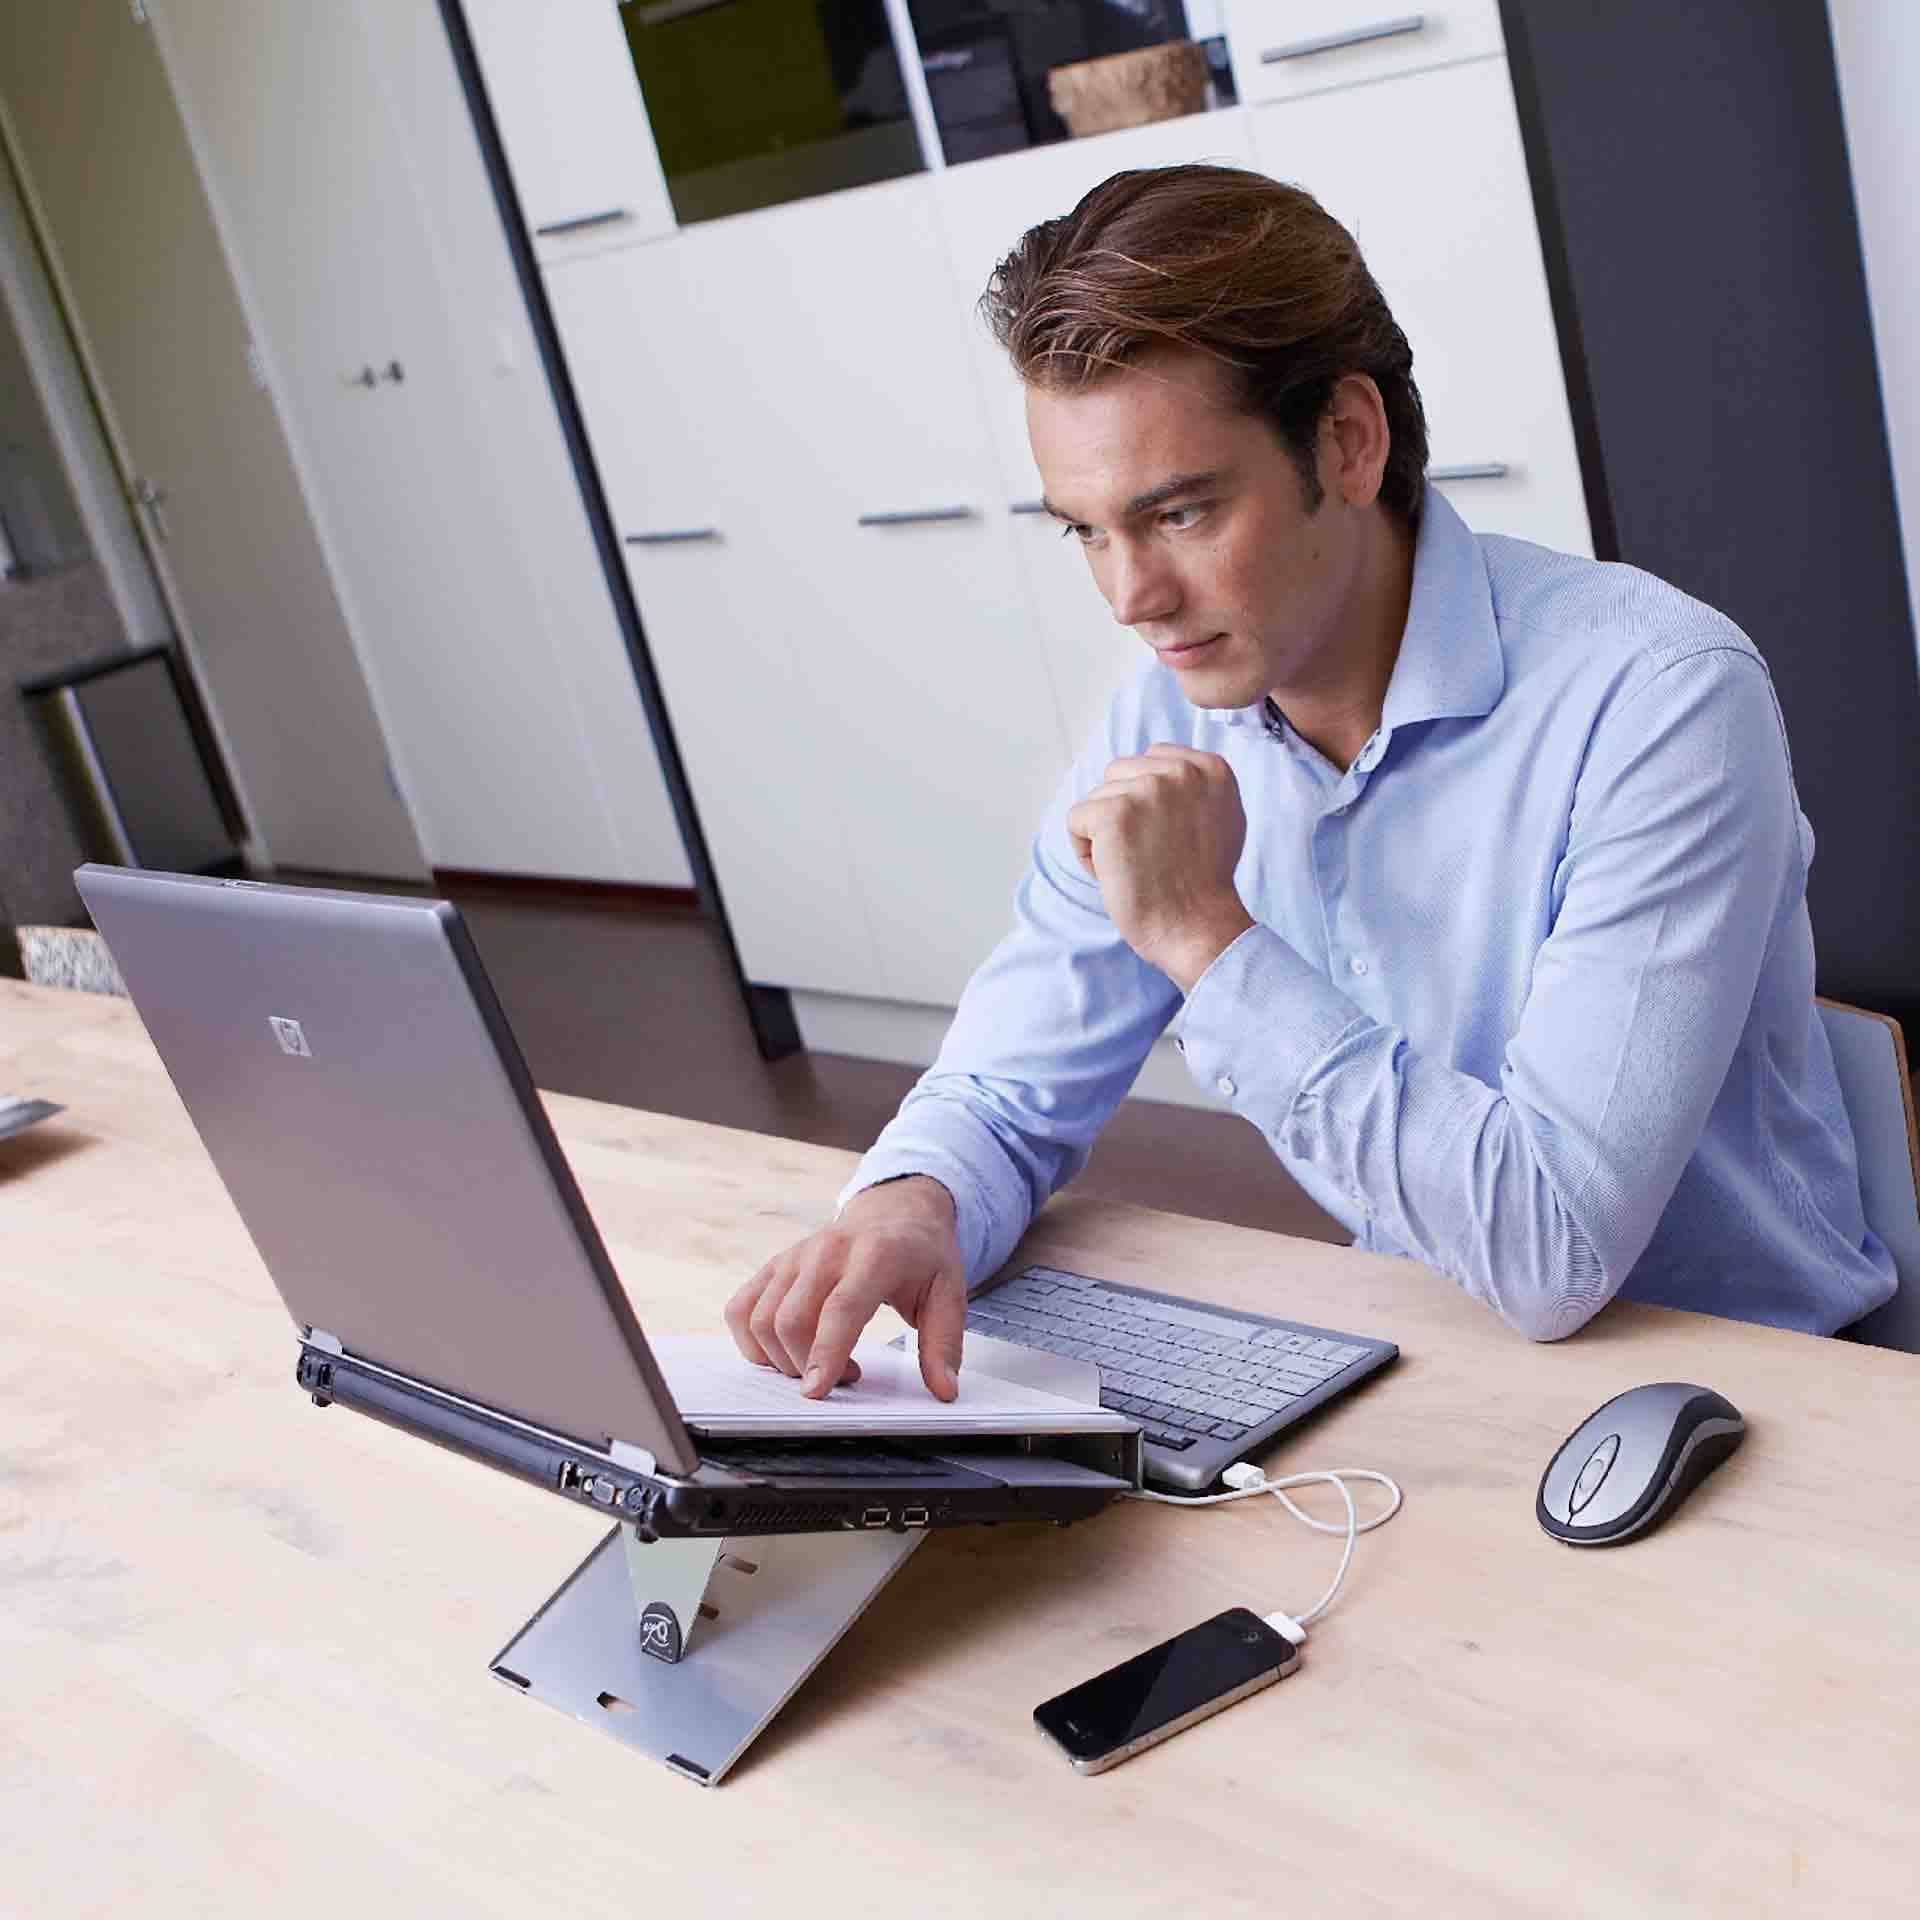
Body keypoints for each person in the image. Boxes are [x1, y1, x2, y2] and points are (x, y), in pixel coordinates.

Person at [724, 164, 1895, 1401]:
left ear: (1347, 440)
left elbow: (1553, 1249)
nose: (1130, 598)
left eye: (1180, 515)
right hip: (1430, 1364)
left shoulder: (1661, 699)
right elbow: (1005, 1090)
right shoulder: (1168, 707)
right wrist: (913, 1199)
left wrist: (1207, 939)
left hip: (1758, 1400)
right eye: (1086, 531)